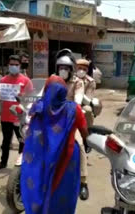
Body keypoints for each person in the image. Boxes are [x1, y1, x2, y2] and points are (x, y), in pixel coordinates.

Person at [21, 75, 88, 214]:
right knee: (65, 190)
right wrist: (87, 140)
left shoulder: (39, 106)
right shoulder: (74, 109)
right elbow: (84, 130)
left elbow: (31, 126)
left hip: (43, 154)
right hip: (67, 156)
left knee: (40, 183)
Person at [54, 49, 89, 200]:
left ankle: (83, 182)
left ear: (71, 69)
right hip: (52, 118)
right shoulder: (53, 79)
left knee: (79, 145)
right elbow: (42, 94)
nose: (63, 71)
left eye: (66, 68)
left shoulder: (77, 82)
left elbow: (78, 100)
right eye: (61, 68)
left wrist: (74, 106)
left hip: (69, 119)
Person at [0, 55, 33, 171]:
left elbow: (31, 98)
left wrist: (23, 97)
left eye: (16, 65)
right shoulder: (3, 80)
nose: (13, 67)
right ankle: (3, 162)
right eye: (11, 64)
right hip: (5, 116)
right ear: (8, 65)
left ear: (20, 66)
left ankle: (21, 165)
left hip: (20, 117)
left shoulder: (26, 80)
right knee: (5, 141)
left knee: (22, 141)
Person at [76, 58, 96, 127]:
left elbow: (88, 99)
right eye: (79, 68)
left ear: (87, 70)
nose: (81, 71)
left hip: (82, 104)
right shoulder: (69, 78)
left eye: (84, 69)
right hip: (67, 103)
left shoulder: (90, 82)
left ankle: (89, 131)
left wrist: (78, 94)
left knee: (88, 110)